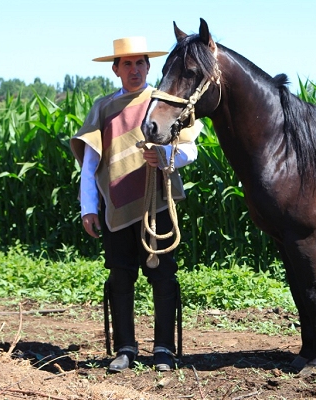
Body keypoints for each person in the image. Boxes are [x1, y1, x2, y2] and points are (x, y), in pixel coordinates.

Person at [70, 36, 202, 372]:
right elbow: (90, 163)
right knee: (120, 277)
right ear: (116, 69)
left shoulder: (163, 104)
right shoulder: (103, 108)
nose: (134, 70)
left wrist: (165, 154)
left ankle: (163, 350)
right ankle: (125, 349)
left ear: (149, 67)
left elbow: (190, 149)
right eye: (126, 64)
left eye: (140, 63)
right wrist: (88, 206)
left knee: (163, 277)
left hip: (157, 205)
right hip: (115, 208)